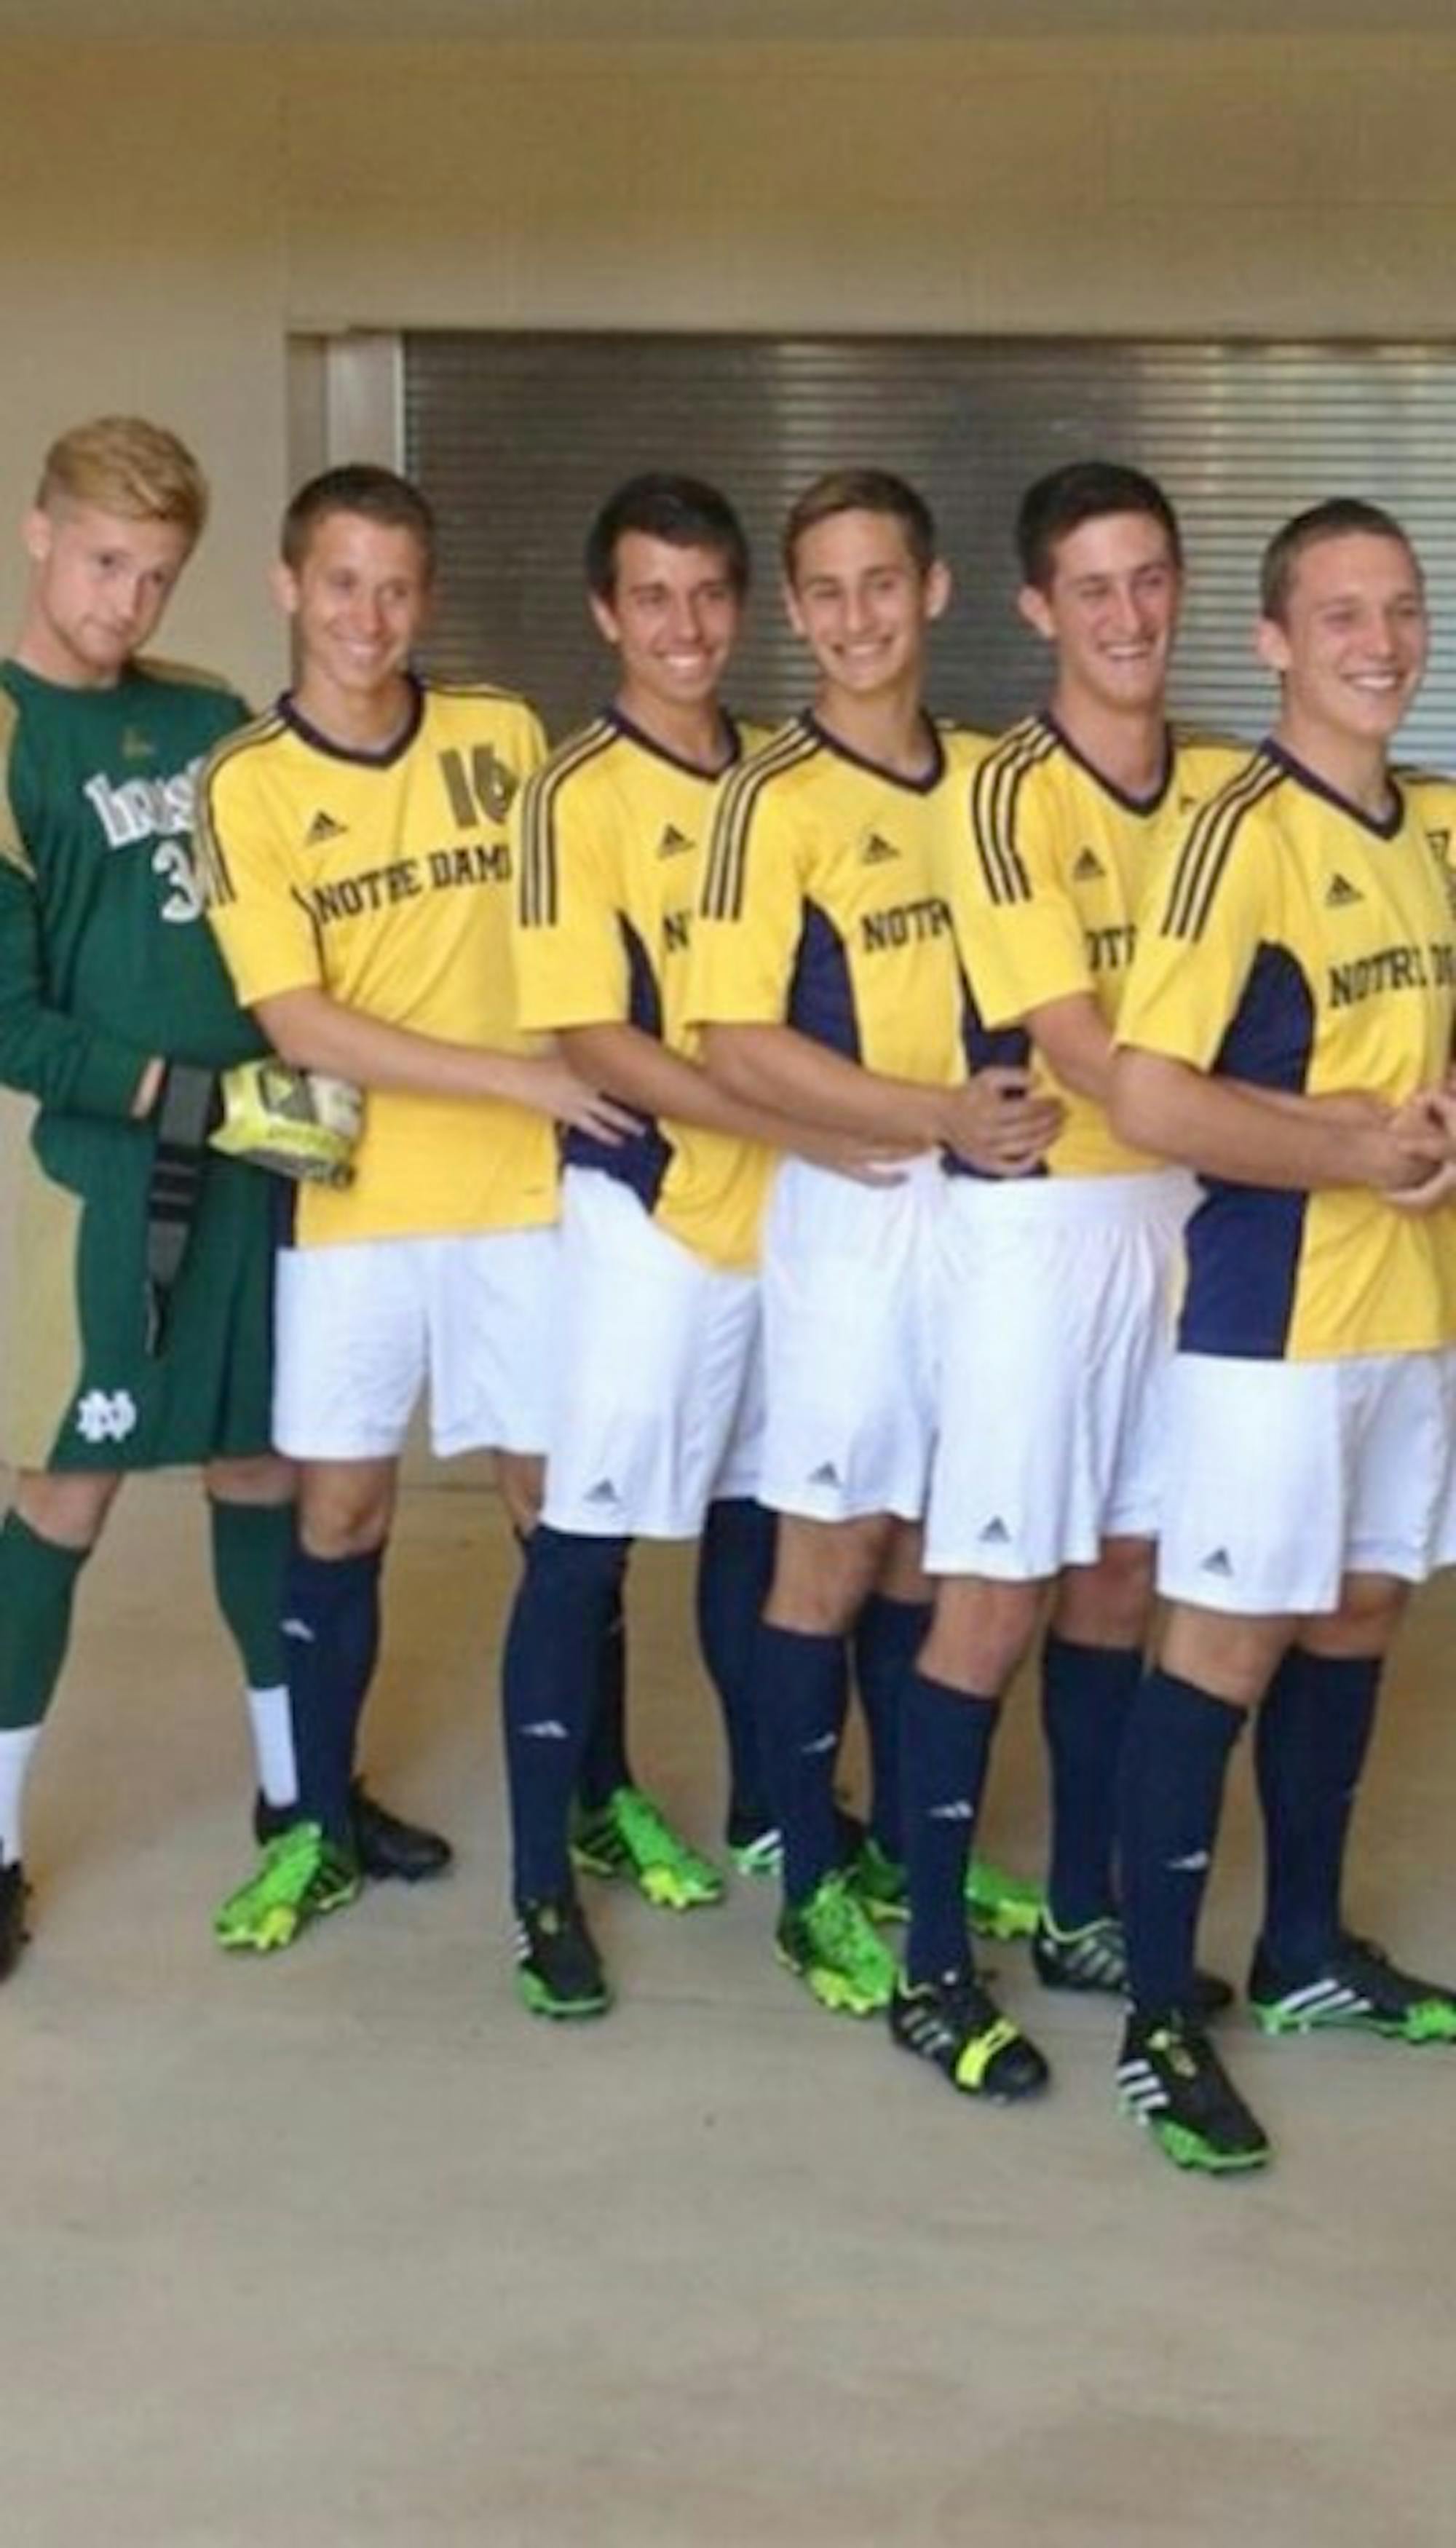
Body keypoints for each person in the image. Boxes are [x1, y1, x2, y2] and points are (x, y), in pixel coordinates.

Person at [200, 463, 632, 1954]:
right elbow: (302, 1021)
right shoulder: (248, 784)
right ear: (288, 587)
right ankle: (319, 1822)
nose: (368, 617)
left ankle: (598, 1793)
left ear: (426, 597)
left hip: (522, 1201)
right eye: (341, 584)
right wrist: (515, 1081)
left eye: (395, 587)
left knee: (559, 1500)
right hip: (360, 1206)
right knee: (343, 1504)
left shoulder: (503, 736)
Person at [892, 462, 1249, 2104]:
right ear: (1035, 607)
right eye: (1091, 588)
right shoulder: (999, 792)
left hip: (1187, 1212)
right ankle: (927, 1964)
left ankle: (1089, 1906)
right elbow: (1085, 1046)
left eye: (1151, 579)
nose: (1128, 616)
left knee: (1122, 1574)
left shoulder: (1232, 792)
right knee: (993, 1590)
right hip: (1038, 1237)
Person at [1109, 496, 1456, 2174]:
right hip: (1273, 1312)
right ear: (1271, 642)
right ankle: (1155, 2012)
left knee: (1358, 1612)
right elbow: (1150, 1090)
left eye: (1399, 611)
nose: (1379, 644)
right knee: (1228, 1640)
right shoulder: (1232, 832)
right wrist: (1349, 1149)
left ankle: (1303, 1950)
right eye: (1340, 616)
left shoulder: (1432, 821)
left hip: (1413, 1308)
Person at [689, 467, 1061, 2019]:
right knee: (829, 1548)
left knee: (931, 1537)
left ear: (936, 592)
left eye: (881, 585)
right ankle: (807, 1882)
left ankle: (913, 1841)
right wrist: (928, 1112)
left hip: (989, 1218)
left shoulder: (997, 779)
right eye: (825, 592)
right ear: (797, 612)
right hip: (854, 1211)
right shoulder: (765, 801)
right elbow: (728, 1044)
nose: (856, 619)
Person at [503, 471, 829, 2015]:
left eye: (709, 595)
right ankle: (539, 1887)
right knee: (588, 1537)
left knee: (763, 1520)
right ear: (604, 612)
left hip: (799, 1221)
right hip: (650, 1212)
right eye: (652, 598)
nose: (685, 627)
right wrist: (770, 1114)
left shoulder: (782, 770)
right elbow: (589, 1032)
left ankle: (776, 1807)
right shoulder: (574, 793)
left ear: (742, 607)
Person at [0, 414, 304, 1976]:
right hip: (103, 1179)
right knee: (66, 1491)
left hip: (260, 1163)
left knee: (263, 1466)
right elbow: (8, 1018)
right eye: (107, 560)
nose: (128, 602)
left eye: (160, 575)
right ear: (43, 532)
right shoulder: (4, 735)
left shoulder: (210, 718)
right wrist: (180, 1092)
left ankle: (294, 1796)